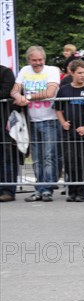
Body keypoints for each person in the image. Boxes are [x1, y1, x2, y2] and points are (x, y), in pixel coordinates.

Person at [11, 46, 61, 202]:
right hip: (32, 120)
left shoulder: (52, 70)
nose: (38, 63)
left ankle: (47, 189)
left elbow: (50, 92)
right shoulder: (25, 70)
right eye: (34, 60)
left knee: (49, 157)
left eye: (40, 60)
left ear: (44, 59)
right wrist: (18, 96)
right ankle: (39, 189)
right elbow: (14, 90)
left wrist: (28, 97)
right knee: (37, 159)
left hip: (50, 119)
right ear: (29, 60)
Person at [54, 59, 84, 202]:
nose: (82, 75)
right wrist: (63, 122)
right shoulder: (64, 89)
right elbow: (58, 109)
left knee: (83, 161)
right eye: (79, 73)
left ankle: (82, 190)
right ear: (72, 73)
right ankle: (72, 190)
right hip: (68, 133)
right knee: (70, 161)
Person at [0, 64, 18, 202]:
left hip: (4, 121)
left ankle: (8, 190)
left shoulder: (5, 72)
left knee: (7, 157)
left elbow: (5, 92)